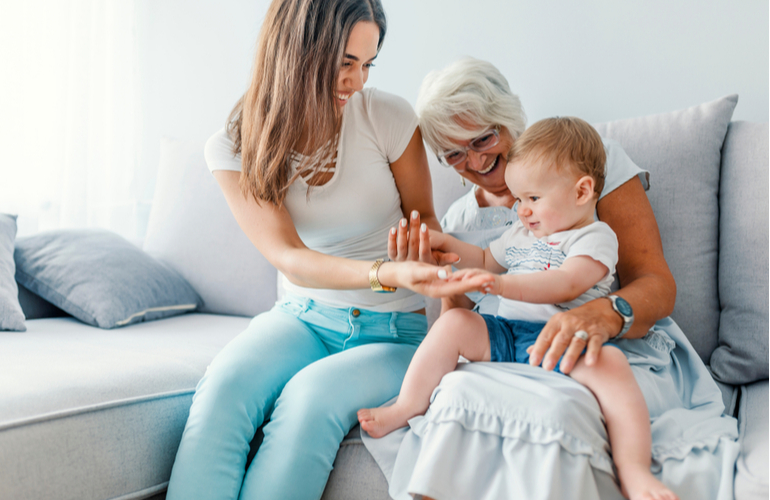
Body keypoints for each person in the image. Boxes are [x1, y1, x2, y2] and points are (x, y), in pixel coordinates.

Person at [361, 58, 738, 500]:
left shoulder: (587, 164)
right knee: (459, 392)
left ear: (508, 119)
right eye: (455, 154)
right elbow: (463, 306)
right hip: (509, 343)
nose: (476, 160)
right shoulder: (462, 217)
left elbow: (653, 282)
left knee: (559, 408)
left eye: (483, 138)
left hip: (598, 337)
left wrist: (605, 313)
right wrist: (437, 263)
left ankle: (629, 470)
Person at [163, 2, 475, 499]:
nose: (356, 81)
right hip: (302, 318)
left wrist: (429, 260)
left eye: (367, 64)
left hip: (396, 334)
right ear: (297, 52)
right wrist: (386, 271)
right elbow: (288, 257)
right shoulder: (234, 144)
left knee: (308, 400)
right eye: (345, 62)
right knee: (222, 389)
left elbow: (428, 223)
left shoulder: (387, 116)